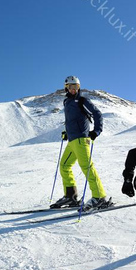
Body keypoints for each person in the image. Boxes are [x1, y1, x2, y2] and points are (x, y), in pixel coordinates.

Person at [50, 75, 110, 209]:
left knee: (87, 168)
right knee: (64, 166)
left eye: (76, 87)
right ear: (66, 88)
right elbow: (72, 120)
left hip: (82, 140)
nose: (73, 90)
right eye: (71, 87)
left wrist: (96, 131)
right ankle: (70, 196)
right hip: (72, 141)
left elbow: (97, 113)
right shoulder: (67, 102)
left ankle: (100, 197)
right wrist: (67, 133)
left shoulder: (82, 100)